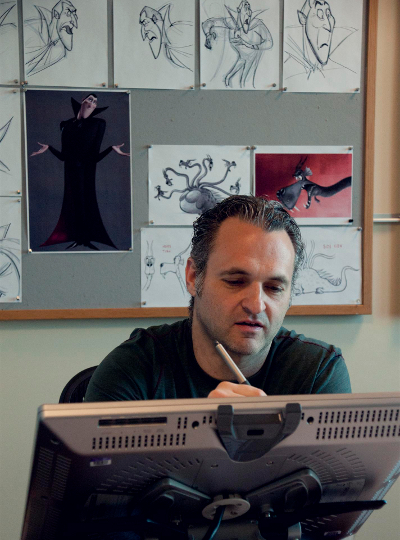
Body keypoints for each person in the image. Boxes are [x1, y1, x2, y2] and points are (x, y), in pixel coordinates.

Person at [85, 195, 351, 401]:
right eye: (235, 281)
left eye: (274, 288)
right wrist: (206, 434)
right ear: (193, 277)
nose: (256, 305)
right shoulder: (134, 368)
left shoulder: (317, 372)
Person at [31, 94, 129, 250]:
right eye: (90, 99)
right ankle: (79, 238)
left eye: (95, 102)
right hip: (71, 171)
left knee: (86, 203)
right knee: (75, 204)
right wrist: (49, 148)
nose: (92, 103)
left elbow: (94, 156)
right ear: (82, 101)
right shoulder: (66, 125)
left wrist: (111, 149)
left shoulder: (98, 124)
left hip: (86, 170)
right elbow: (64, 156)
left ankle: (85, 239)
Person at [202, 0, 273, 88]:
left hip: (252, 59)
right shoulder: (231, 23)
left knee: (244, 82)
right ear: (238, 10)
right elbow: (208, 23)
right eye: (245, 7)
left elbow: (269, 42)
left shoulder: (257, 24)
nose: (248, 11)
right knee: (233, 79)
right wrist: (208, 35)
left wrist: (251, 45)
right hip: (244, 57)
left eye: (249, 8)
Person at [24, 0, 78, 76]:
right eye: (68, 13)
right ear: (56, 14)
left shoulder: (60, 51)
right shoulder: (35, 26)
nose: (75, 23)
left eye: (74, 14)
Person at [139, 4, 193, 71]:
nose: (145, 29)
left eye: (146, 23)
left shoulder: (173, 32)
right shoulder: (166, 48)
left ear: (155, 19)